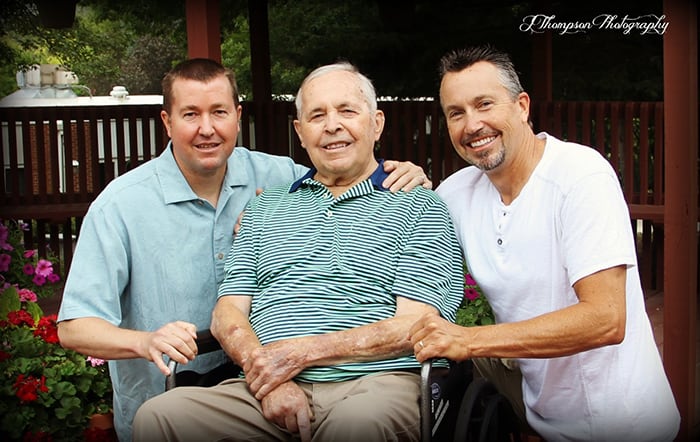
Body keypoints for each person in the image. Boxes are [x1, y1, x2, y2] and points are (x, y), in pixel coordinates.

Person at [56, 58, 431, 441]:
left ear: (237, 116)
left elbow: (342, 165)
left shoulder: (279, 180)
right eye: (190, 115)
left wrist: (399, 174)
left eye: (219, 112)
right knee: (161, 417)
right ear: (167, 122)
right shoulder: (121, 205)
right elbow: (74, 326)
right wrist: (146, 340)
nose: (207, 129)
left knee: (354, 422)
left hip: (286, 373)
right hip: (189, 381)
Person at [409, 45, 680, 441]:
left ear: (522, 106)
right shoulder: (457, 193)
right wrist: (401, 179)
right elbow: (402, 232)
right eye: (456, 113)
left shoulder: (579, 176)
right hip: (540, 410)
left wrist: (469, 339)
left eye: (484, 104)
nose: (472, 125)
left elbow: (606, 318)